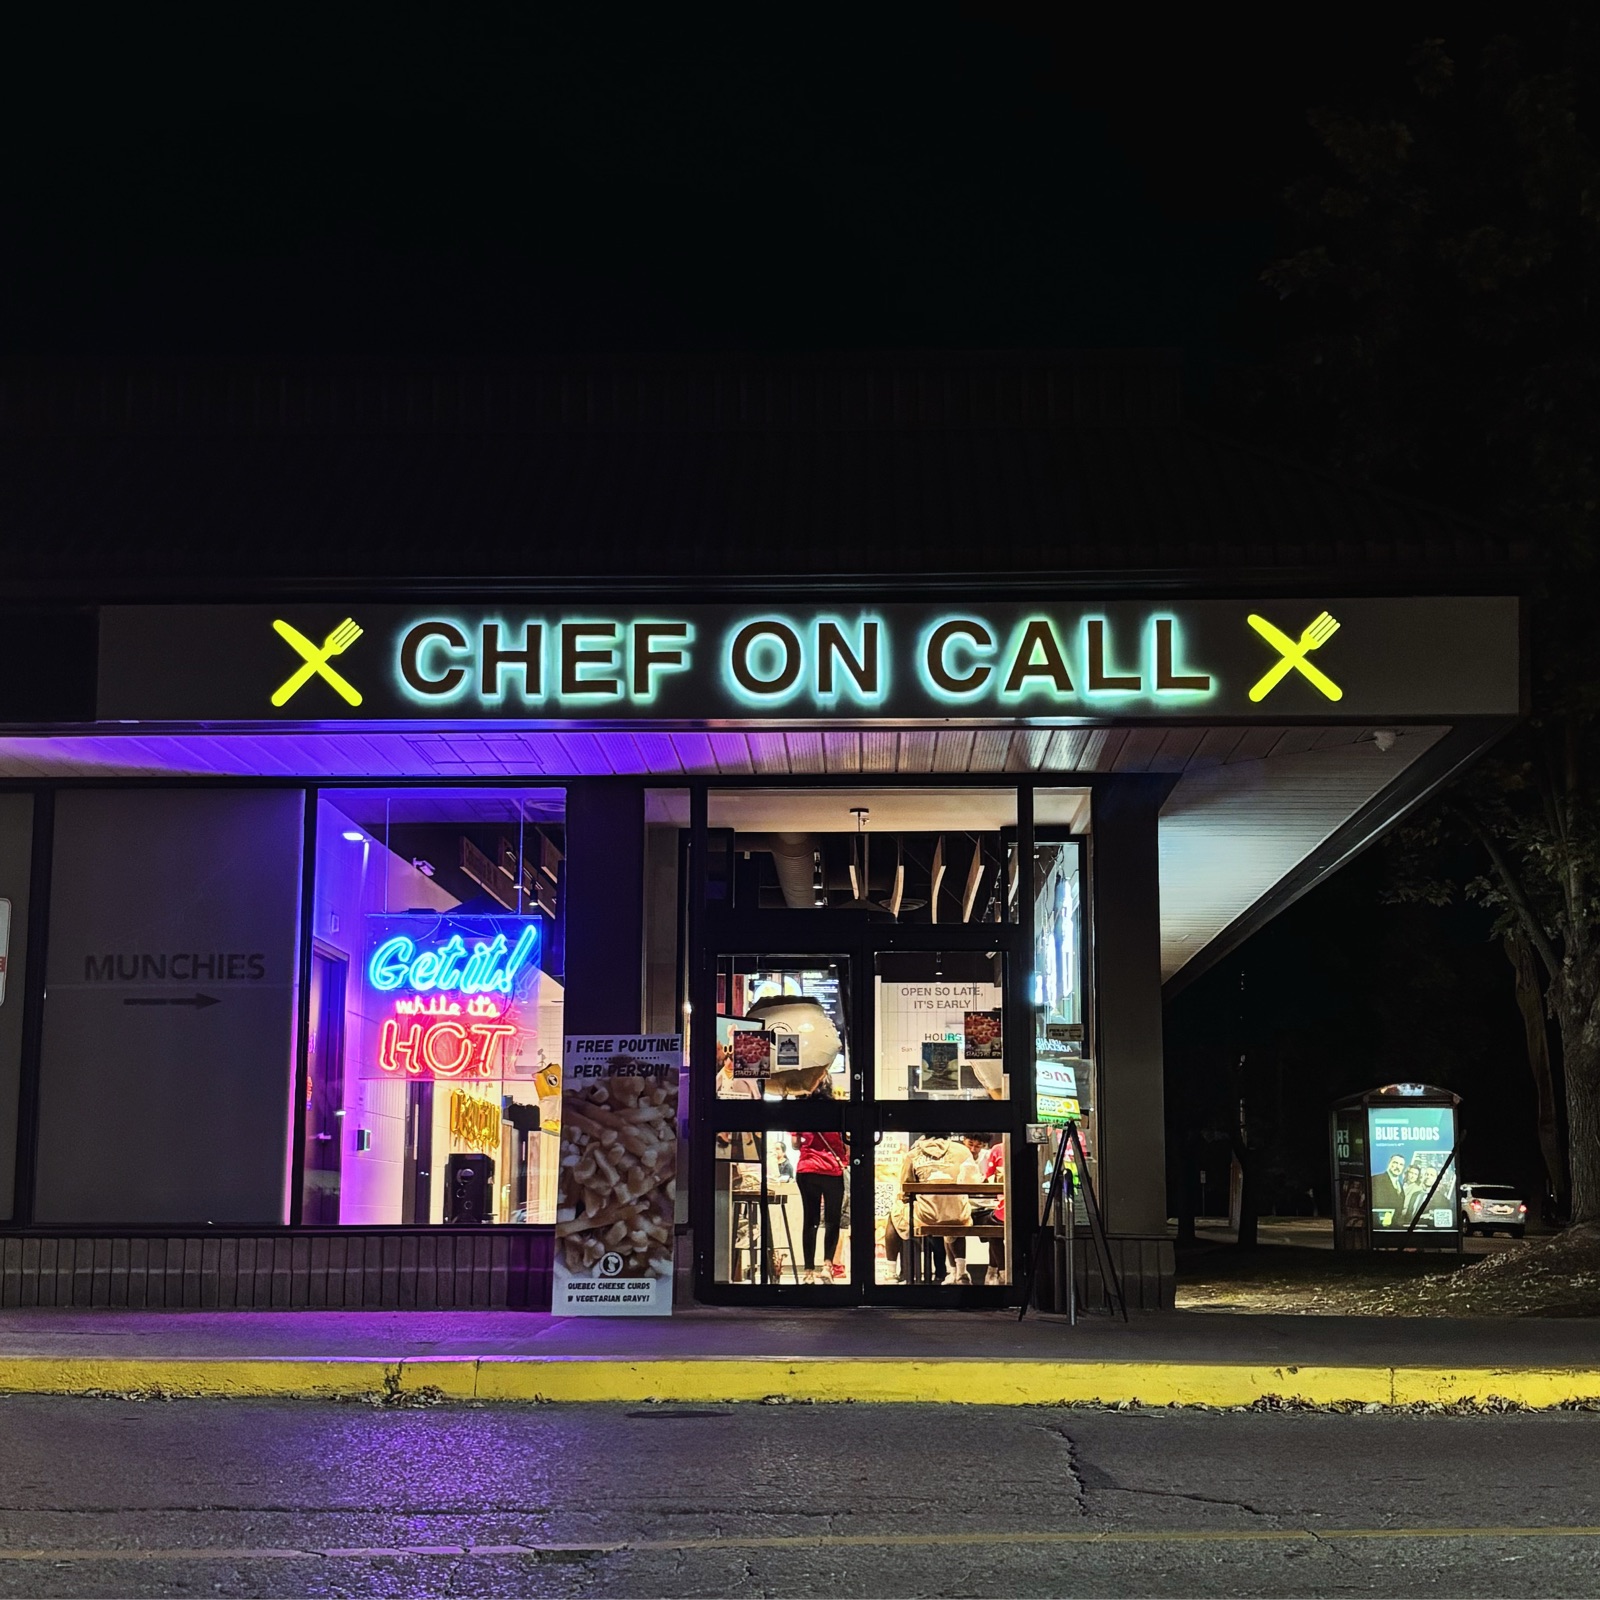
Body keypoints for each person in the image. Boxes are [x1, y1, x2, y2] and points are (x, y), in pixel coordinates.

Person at [884, 1133, 972, 1284]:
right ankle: (961, 1271)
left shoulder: (913, 1154)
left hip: (926, 1216)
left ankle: (891, 1273)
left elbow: (906, 1189)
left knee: (894, 1216)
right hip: (957, 1215)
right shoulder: (963, 1151)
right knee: (955, 1213)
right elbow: (973, 1179)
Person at [794, 1094, 847, 1285]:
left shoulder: (801, 1115)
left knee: (810, 1221)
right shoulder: (838, 1117)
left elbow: (795, 1144)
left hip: (807, 1169)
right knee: (833, 1220)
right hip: (832, 1171)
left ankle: (808, 1272)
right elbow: (847, 1144)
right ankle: (827, 1267)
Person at [1370, 1154, 1407, 1220]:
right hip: (1377, 1222)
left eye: (1401, 1165)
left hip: (1394, 1224)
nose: (1398, 1167)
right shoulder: (1376, 1180)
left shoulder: (1400, 1185)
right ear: (1389, 1163)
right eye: (1395, 1163)